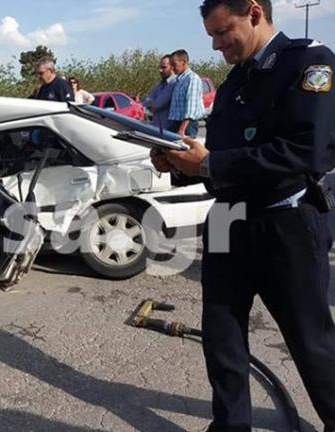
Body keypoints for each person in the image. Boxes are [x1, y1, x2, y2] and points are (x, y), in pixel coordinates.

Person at [153, 1, 335, 430]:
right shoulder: (236, 81)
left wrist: (211, 164)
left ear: (254, 11)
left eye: (223, 32)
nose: (217, 46)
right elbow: (219, 158)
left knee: (311, 341)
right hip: (226, 217)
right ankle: (230, 425)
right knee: (221, 335)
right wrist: (178, 163)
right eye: (212, 37)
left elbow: (307, 151)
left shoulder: (309, 61)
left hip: (284, 219)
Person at [168, 50, 205, 138]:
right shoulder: (178, 80)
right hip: (175, 122)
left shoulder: (192, 79)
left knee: (184, 149)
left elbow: (191, 108)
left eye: (174, 64)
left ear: (183, 62)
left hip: (186, 125)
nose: (172, 68)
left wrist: (182, 129)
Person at [143, 55, 177, 132]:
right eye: (160, 67)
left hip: (168, 130)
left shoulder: (174, 84)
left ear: (172, 67)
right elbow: (145, 102)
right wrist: (150, 102)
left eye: (164, 67)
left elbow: (157, 105)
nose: (160, 70)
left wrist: (151, 102)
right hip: (157, 128)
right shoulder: (160, 84)